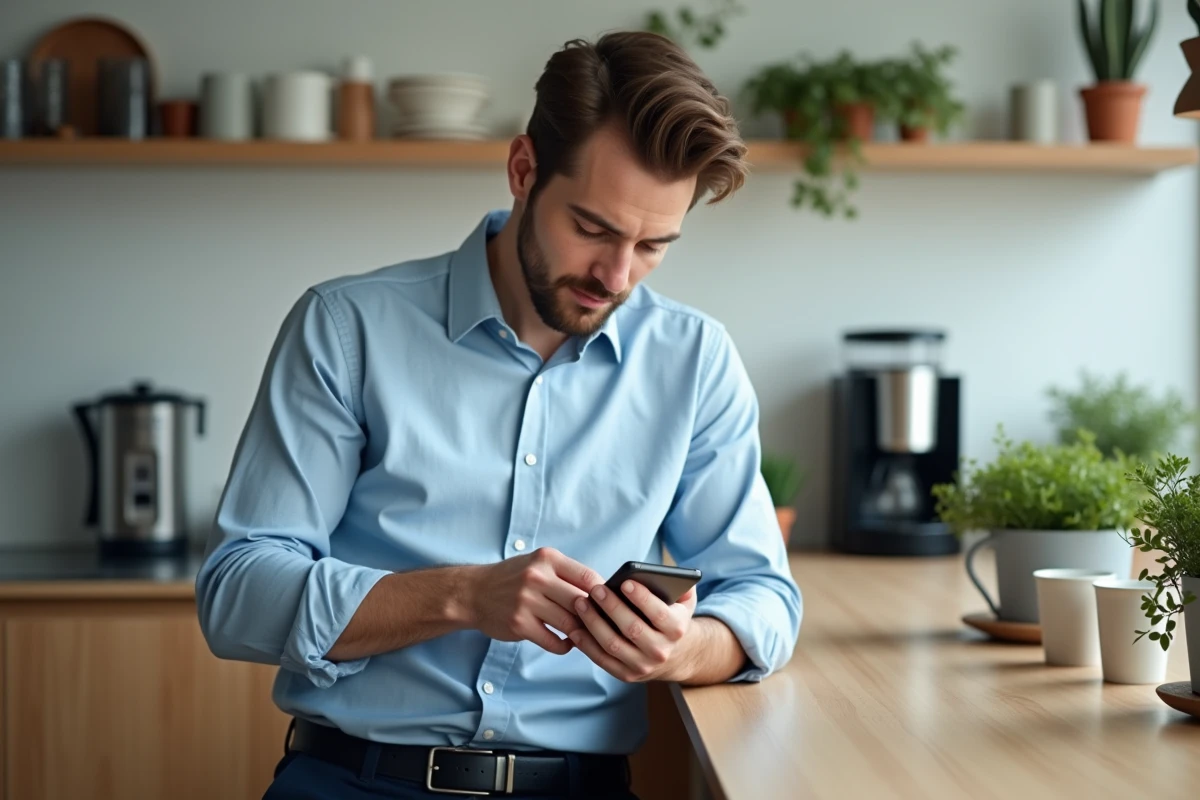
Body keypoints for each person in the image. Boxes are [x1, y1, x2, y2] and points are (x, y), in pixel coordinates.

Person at [197, 30, 802, 800]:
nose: (617, 275)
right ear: (523, 171)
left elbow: (763, 599)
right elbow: (237, 593)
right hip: (351, 779)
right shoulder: (346, 329)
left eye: (654, 245)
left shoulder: (694, 362)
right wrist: (463, 596)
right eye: (593, 229)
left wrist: (679, 651)